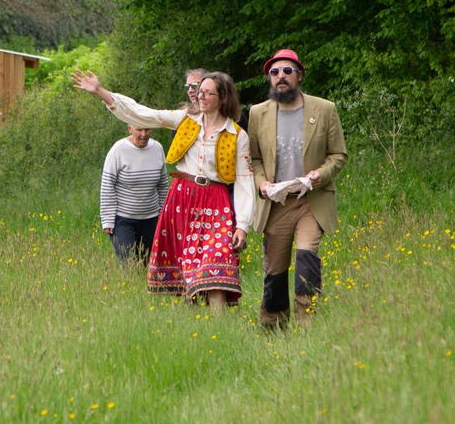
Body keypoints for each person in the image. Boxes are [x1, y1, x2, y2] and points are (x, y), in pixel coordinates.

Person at [72, 69, 253, 311]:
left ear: (223, 98)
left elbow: (244, 182)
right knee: (188, 265)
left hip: (215, 200)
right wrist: (101, 92)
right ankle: (197, 325)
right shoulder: (184, 120)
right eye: (200, 92)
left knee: (218, 260)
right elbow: (142, 113)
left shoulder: (237, 135)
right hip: (183, 197)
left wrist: (242, 224)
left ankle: (220, 327)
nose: (201, 96)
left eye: (208, 93)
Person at [247, 48, 348, 327]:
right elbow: (254, 159)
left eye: (287, 71)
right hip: (276, 202)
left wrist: (319, 175)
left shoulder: (324, 109)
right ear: (269, 79)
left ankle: (307, 326)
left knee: (307, 259)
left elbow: (338, 155)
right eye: (274, 72)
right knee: (275, 270)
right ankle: (273, 325)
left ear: (299, 75)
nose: (281, 77)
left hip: (310, 201)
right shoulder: (257, 113)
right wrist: (262, 183)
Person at [100, 124, 170, 262]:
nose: (144, 134)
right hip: (123, 219)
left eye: (147, 129)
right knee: (128, 261)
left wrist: (163, 214)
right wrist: (107, 219)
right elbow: (108, 184)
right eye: (139, 130)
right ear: (129, 129)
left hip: (151, 218)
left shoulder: (157, 148)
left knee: (146, 262)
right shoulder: (118, 150)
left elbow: (163, 184)